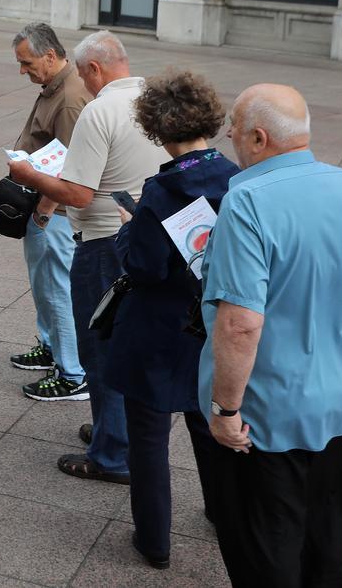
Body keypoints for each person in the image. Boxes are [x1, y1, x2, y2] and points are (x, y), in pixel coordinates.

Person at [198, 85, 342, 587]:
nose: (229, 136)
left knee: (265, 554)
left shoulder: (247, 202)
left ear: (258, 137)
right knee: (326, 545)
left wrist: (225, 410)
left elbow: (240, 322)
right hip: (339, 406)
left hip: (266, 418)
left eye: (233, 127)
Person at [7, 30, 166, 485]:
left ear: (93, 69)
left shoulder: (100, 110)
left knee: (101, 348)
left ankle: (112, 453)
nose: (83, 81)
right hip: (146, 238)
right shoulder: (152, 98)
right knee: (131, 344)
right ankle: (116, 431)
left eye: (83, 73)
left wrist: (30, 175)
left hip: (104, 243)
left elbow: (78, 194)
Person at [105, 70, 238, 571]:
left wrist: (127, 230)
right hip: (211, 324)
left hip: (158, 328)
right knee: (208, 425)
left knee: (149, 437)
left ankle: (154, 540)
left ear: (157, 130)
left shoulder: (161, 191)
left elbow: (144, 268)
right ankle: (223, 512)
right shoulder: (235, 178)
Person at [6, 22, 92, 401]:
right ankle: (50, 346)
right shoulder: (56, 87)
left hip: (53, 214)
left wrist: (43, 212)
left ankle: (73, 373)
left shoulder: (71, 98)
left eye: (27, 63)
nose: (23, 70)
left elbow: (71, 167)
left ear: (50, 56)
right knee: (45, 286)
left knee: (58, 290)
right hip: (44, 207)